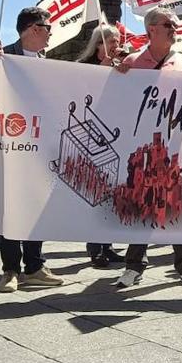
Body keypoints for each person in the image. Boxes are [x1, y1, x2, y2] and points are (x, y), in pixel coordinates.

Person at [112, 6, 182, 289]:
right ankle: (134, 265)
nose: (175, 30)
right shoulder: (131, 62)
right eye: (169, 25)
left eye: (175, 25)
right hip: (141, 148)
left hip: (177, 147)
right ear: (152, 29)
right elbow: (114, 102)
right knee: (142, 203)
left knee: (179, 203)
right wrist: (117, 78)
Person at [0, 7, 66, 292]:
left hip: (39, 147)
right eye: (48, 29)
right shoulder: (2, 56)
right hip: (10, 145)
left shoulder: (47, 62)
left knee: (36, 208)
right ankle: (10, 270)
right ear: (34, 28)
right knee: (11, 209)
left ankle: (34, 266)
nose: (50, 35)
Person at [75, 24, 127, 269]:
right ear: (98, 44)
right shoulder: (84, 66)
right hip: (89, 135)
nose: (116, 45)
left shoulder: (120, 65)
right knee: (95, 192)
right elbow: (85, 90)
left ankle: (108, 246)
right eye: (111, 41)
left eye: (117, 41)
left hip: (113, 134)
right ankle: (95, 249)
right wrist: (106, 66)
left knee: (111, 193)